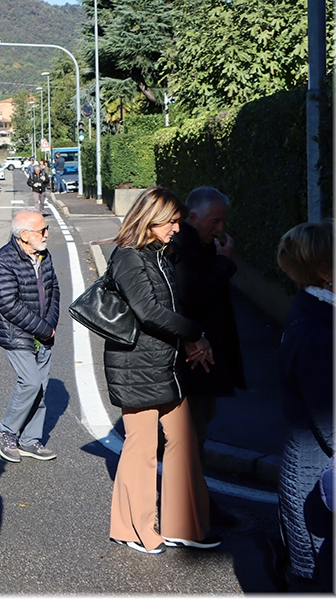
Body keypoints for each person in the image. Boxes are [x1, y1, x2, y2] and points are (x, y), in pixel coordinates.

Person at [103, 187, 217, 554]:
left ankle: (183, 525)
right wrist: (195, 333)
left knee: (183, 440)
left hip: (165, 362)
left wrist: (189, 341)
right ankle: (131, 528)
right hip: (135, 365)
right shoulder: (128, 257)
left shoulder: (158, 254)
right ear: (150, 219)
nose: (176, 228)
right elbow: (149, 312)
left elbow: (171, 308)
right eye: (171, 221)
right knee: (142, 447)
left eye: (178, 222)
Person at [274, 221, 334, 591]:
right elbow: (332, 425)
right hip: (319, 480)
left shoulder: (315, 313)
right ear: (326, 272)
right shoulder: (317, 334)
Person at [170, 187, 246, 468]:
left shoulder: (202, 246)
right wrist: (223, 263)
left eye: (222, 221)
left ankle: (193, 490)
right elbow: (194, 298)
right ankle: (191, 493)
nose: (220, 228)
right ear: (193, 217)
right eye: (214, 221)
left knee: (199, 426)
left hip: (203, 356)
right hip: (192, 358)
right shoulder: (182, 249)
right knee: (192, 434)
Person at [0, 209, 60, 462]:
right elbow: (8, 305)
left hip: (44, 332)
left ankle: (30, 440)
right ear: (24, 235)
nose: (47, 234)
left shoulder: (43, 255)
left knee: (41, 388)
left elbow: (54, 289)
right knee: (30, 382)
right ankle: (7, 431)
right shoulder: (3, 261)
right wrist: (43, 328)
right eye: (42, 230)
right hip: (17, 334)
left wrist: (50, 323)